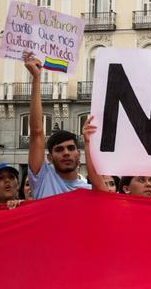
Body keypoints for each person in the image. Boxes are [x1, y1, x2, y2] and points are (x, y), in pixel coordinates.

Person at [24, 52, 110, 198]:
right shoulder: (41, 179)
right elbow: (37, 132)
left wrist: (89, 142)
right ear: (49, 158)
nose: (66, 153)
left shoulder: (89, 191)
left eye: (71, 148)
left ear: (79, 154)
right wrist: (36, 79)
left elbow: (102, 192)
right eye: (59, 150)